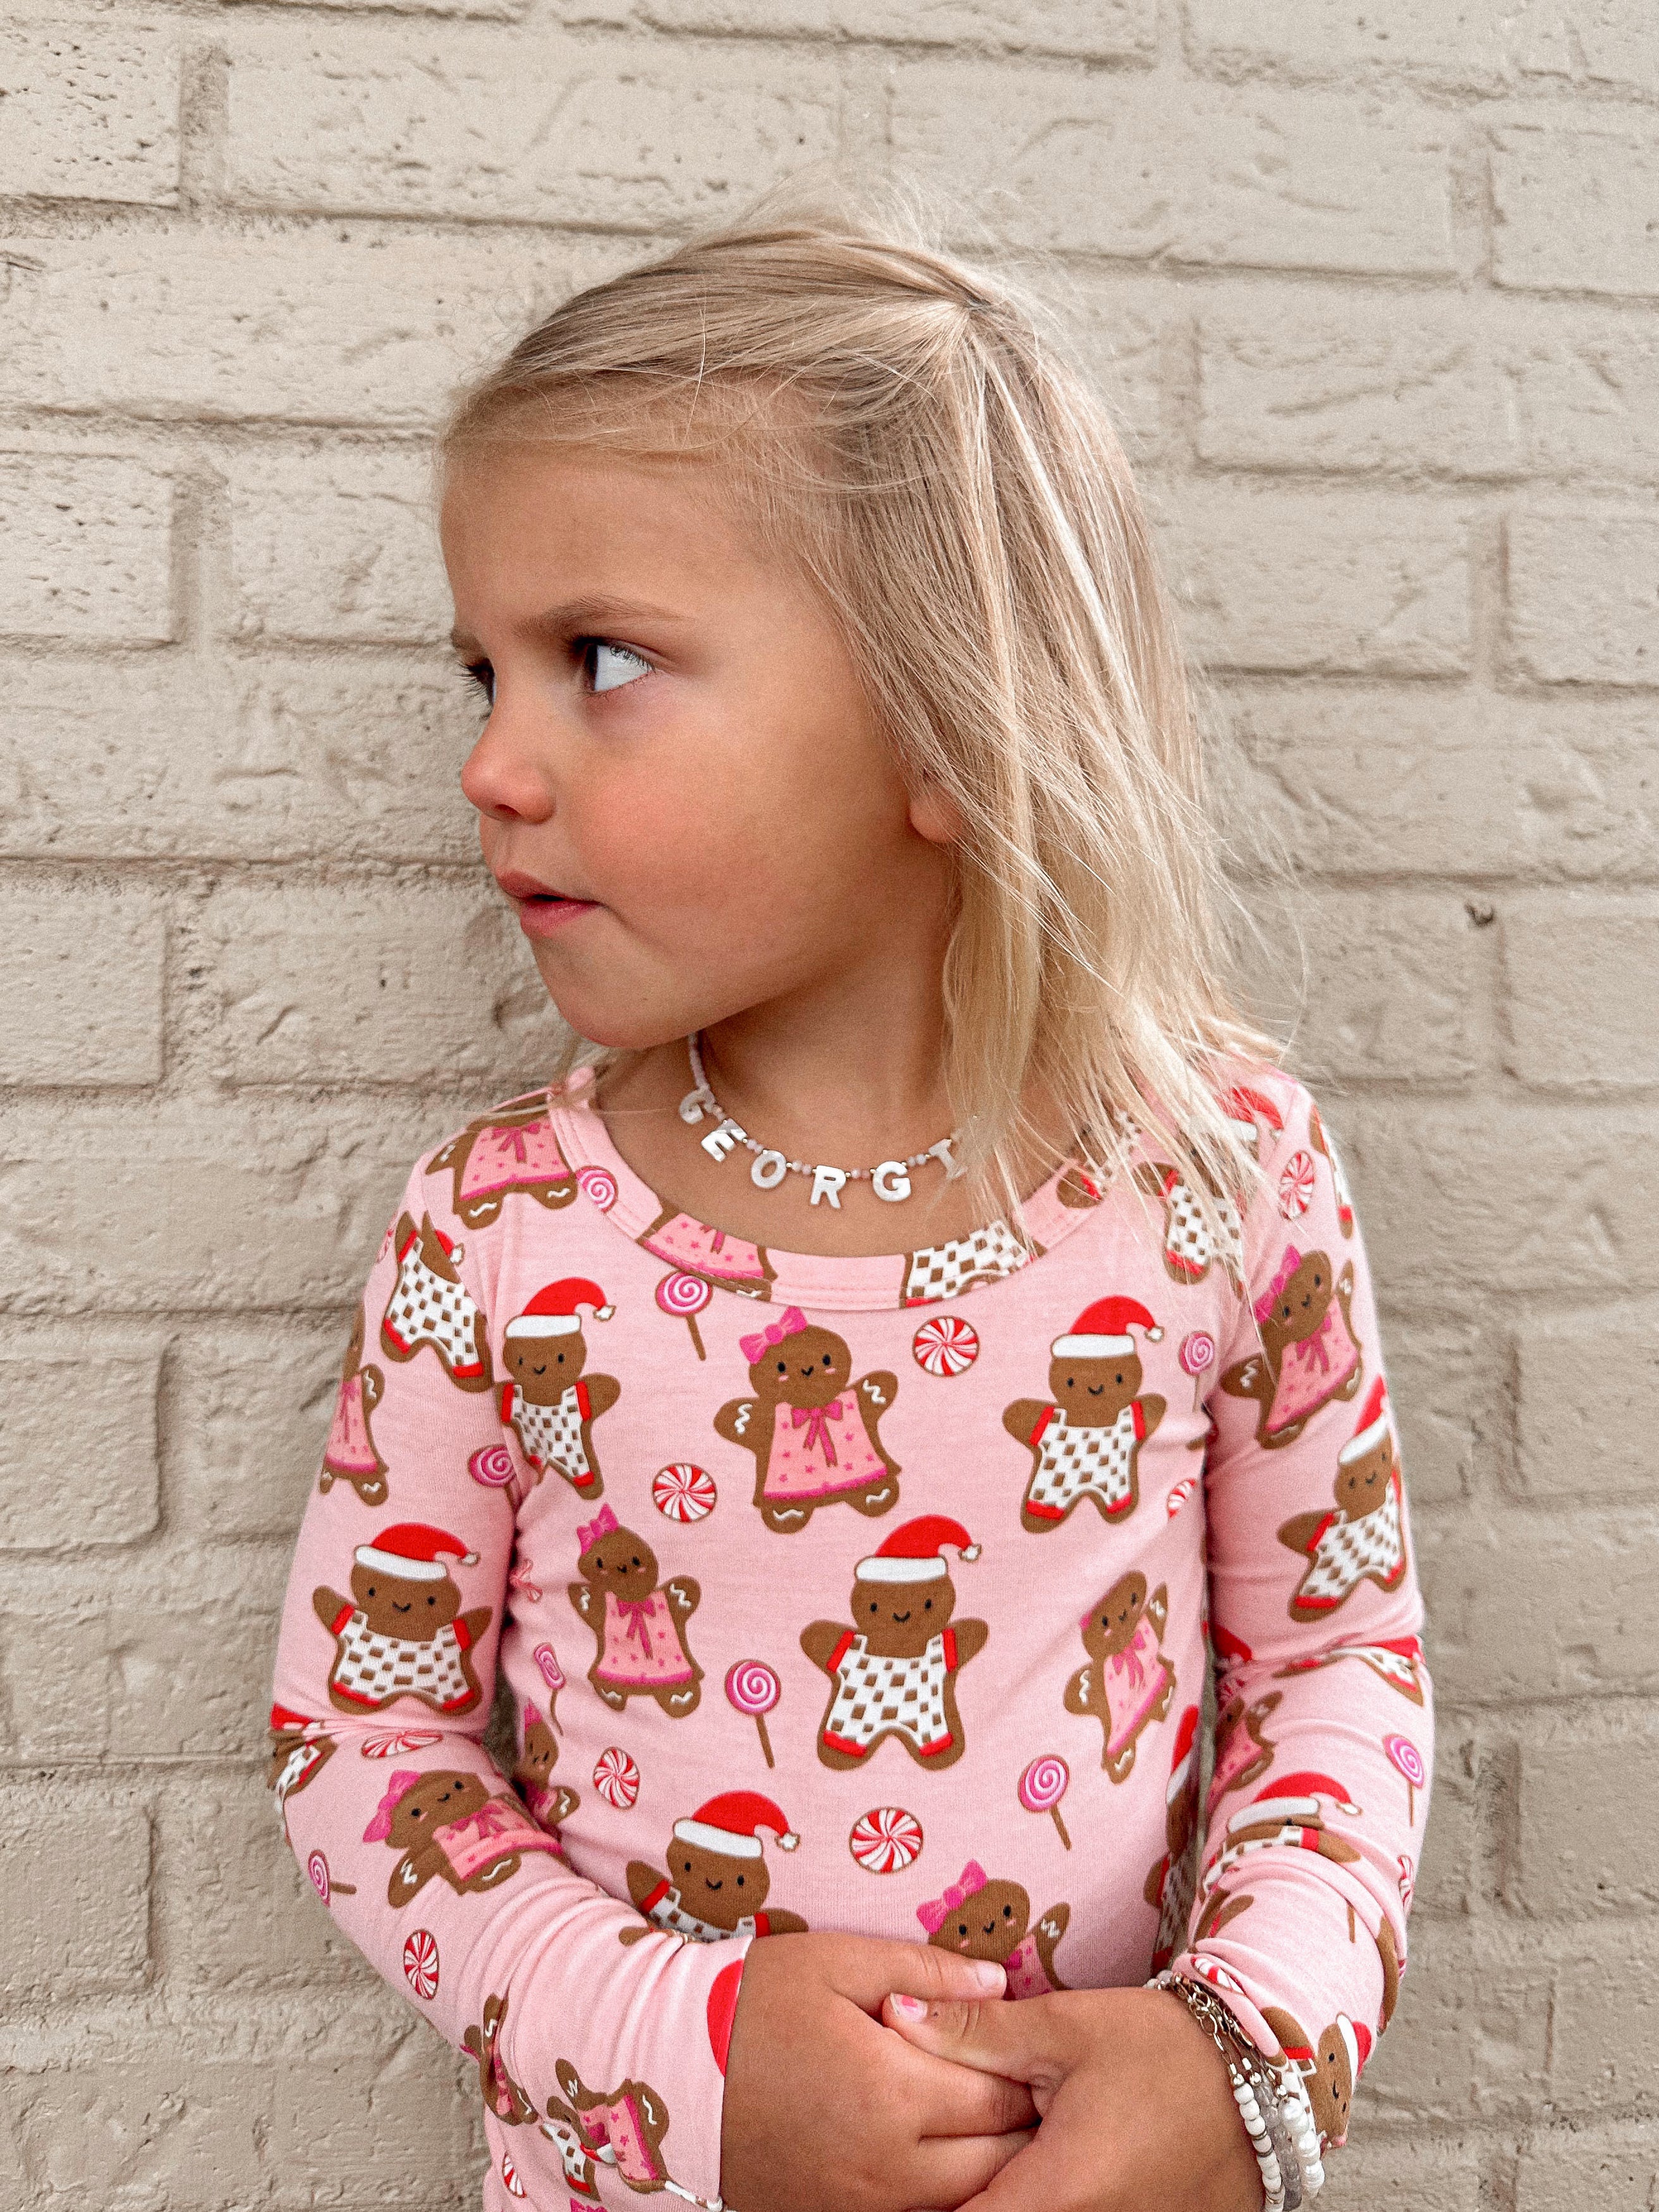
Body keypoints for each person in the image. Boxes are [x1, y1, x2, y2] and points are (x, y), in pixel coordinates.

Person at [268, 200, 1432, 2212]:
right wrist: (685, 2059)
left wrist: (1241, 2059)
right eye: (487, 667)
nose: (490, 762)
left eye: (599, 660)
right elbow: (364, 1738)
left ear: (945, 723)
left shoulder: (1219, 1174)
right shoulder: (501, 1232)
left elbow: (1340, 1665)